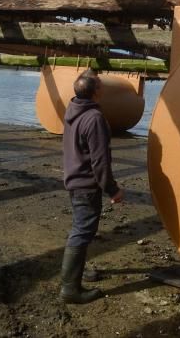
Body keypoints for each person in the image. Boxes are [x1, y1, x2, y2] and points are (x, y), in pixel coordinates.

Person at [60, 70, 123, 304]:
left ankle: (75, 273)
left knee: (80, 228)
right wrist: (112, 189)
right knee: (82, 231)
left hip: (74, 180)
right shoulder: (94, 118)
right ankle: (69, 290)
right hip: (86, 184)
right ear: (96, 91)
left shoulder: (73, 110)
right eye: (100, 85)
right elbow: (100, 161)